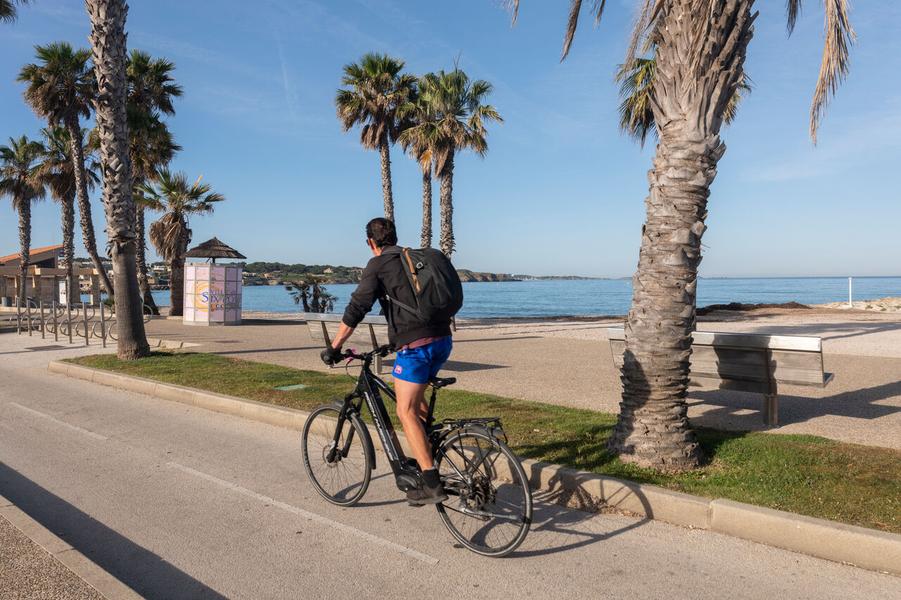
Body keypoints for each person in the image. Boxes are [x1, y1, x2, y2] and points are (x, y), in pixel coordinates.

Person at [320, 218, 453, 505]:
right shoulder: (411, 259)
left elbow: (357, 308)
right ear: (394, 236)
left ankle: (431, 483)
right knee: (415, 402)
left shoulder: (378, 264)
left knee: (404, 411)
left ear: (370, 242)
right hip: (443, 340)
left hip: (416, 348)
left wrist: (334, 347)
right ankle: (427, 451)